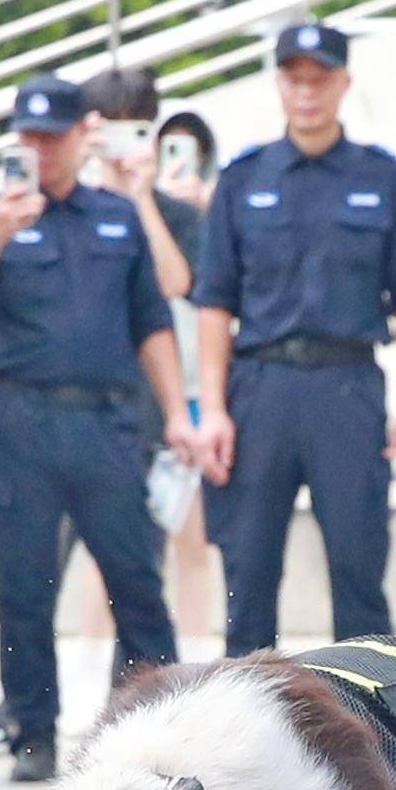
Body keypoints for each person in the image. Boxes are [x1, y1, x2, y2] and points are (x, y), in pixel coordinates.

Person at [0, 74, 193, 780]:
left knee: (135, 581)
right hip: (21, 418)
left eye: (51, 136)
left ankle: (161, 724)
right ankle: (32, 730)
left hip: (106, 421)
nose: (40, 149)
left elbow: (151, 323)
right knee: (25, 585)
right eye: (27, 136)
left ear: (78, 137)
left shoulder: (116, 218)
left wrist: (179, 413)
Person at [192, 22, 396, 654]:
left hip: (347, 386)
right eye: (294, 78)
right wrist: (214, 409)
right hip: (261, 389)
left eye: (320, 78)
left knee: (358, 568)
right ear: (279, 84)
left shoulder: (381, 177)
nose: (307, 92)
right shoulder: (244, 179)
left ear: (344, 84)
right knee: (248, 574)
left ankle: (369, 728)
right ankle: (245, 730)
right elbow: (215, 301)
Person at [147, 105, 227, 640]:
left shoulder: (218, 217)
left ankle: (198, 653)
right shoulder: (131, 210)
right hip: (146, 396)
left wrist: (207, 214)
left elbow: (203, 289)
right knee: (132, 552)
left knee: (196, 542)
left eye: (191, 152)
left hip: (202, 391)